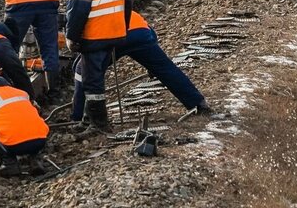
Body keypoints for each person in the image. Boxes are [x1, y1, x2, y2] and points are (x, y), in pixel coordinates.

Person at [71, 9, 211, 124]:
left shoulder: (82, 19)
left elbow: (87, 49)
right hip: (140, 33)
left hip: (114, 36)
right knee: (165, 68)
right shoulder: (119, 8)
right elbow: (151, 33)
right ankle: (198, 103)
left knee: (81, 70)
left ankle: (79, 117)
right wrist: (152, 67)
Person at [64, 0, 130, 132]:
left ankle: (98, 124)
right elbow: (128, 1)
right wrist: (123, 28)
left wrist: (71, 37)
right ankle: (87, 119)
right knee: (94, 75)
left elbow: (77, 9)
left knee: (92, 82)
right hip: (115, 33)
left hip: (95, 36)